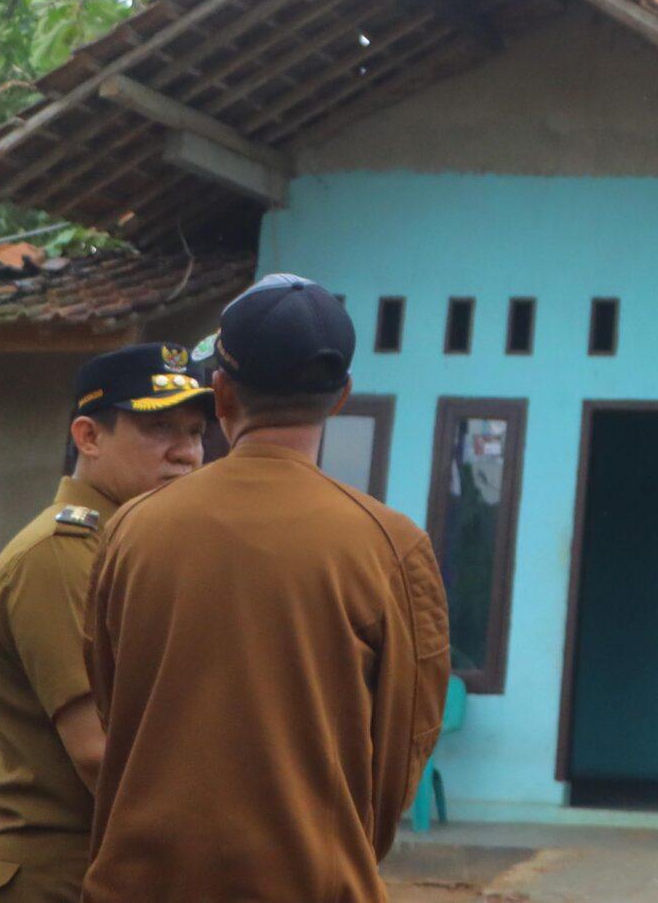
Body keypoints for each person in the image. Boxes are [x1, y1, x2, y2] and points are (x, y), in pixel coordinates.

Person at [82, 276, 449, 903]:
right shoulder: (390, 548)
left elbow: (115, 707)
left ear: (220, 392)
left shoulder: (130, 531)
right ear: (341, 398)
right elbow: (396, 763)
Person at [0, 344, 212, 903]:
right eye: (160, 428)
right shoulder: (63, 554)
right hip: (62, 875)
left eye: (196, 432)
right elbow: (98, 751)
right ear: (89, 437)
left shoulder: (132, 550)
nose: (187, 454)